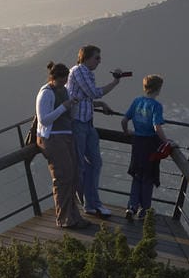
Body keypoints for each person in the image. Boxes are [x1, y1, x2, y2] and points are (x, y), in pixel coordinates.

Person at [67, 44, 125, 217]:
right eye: (97, 58)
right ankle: (91, 203)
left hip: (86, 122)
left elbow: (83, 98)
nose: (100, 61)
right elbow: (94, 93)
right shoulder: (80, 71)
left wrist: (99, 105)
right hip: (78, 123)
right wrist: (115, 81)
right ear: (86, 58)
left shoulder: (86, 73)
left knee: (93, 163)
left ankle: (91, 203)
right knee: (83, 166)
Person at [36, 62, 92, 229]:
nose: (64, 82)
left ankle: (73, 216)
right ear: (54, 78)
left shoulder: (64, 90)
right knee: (63, 177)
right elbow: (44, 119)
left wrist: (72, 106)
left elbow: (69, 115)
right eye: (62, 80)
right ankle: (64, 218)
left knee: (73, 175)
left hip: (66, 136)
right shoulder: (46, 93)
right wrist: (63, 107)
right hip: (52, 138)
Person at [120, 74, 170, 220]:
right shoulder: (156, 106)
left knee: (136, 175)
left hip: (137, 142)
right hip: (150, 144)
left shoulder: (137, 101)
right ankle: (145, 209)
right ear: (158, 89)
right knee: (148, 177)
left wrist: (126, 132)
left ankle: (131, 207)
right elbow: (157, 127)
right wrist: (167, 141)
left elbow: (124, 120)